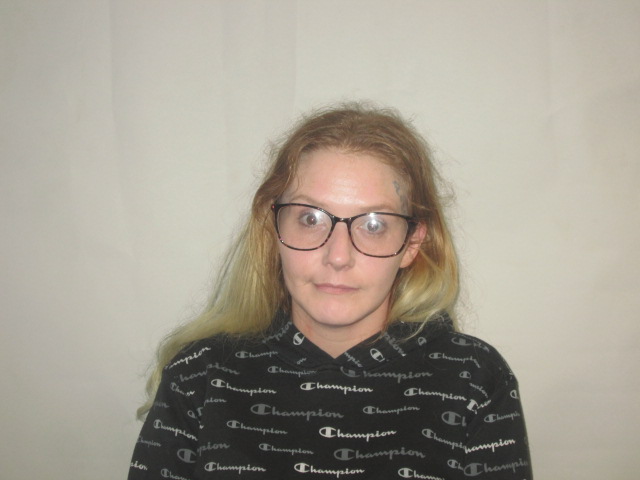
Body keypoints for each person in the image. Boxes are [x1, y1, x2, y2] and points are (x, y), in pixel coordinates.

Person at [128, 103, 532, 479]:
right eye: (310, 219)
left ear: (412, 243)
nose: (338, 257)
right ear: (273, 227)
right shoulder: (199, 375)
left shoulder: (475, 379)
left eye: (374, 225)